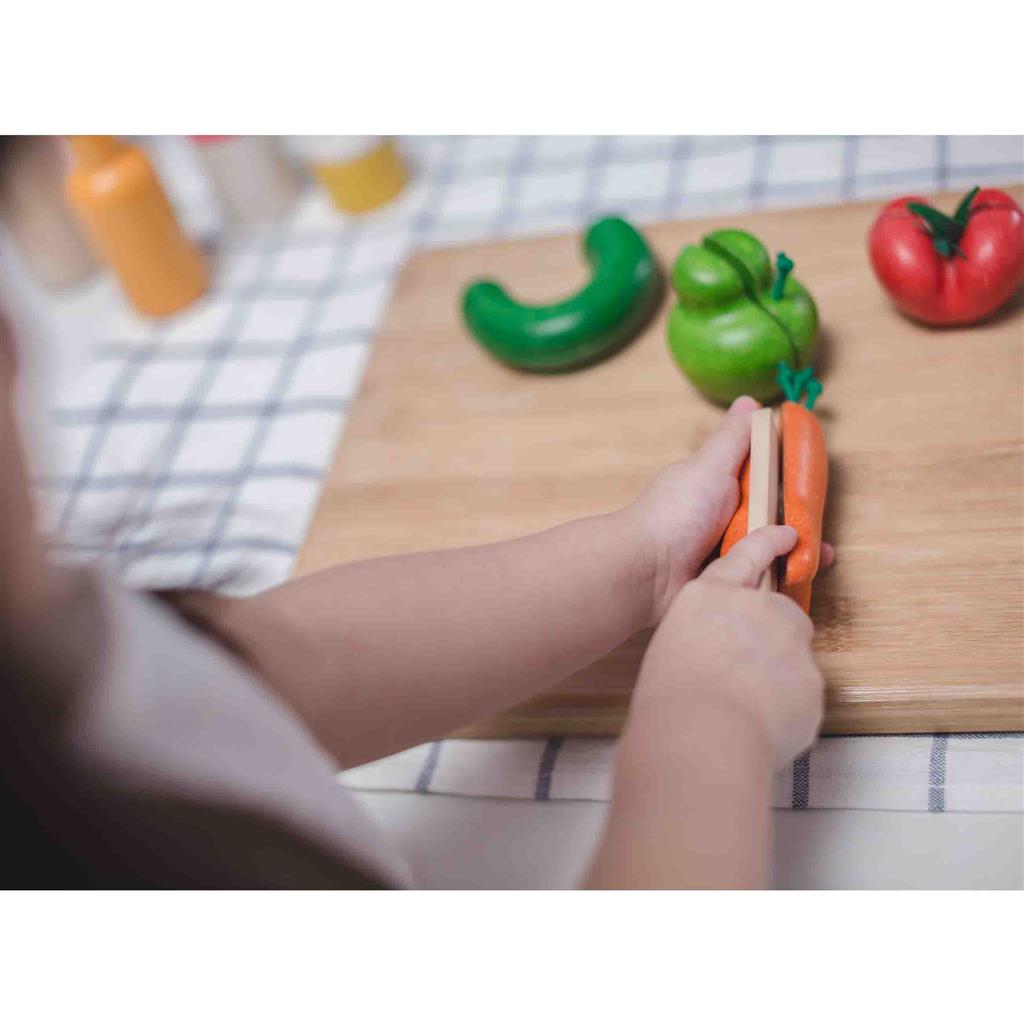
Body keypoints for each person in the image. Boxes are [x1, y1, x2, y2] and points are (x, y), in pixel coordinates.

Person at [1, 141, 831, 890]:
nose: (16, 344)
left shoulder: (44, 641)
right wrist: (707, 734)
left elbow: (265, 670)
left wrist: (641, 558)